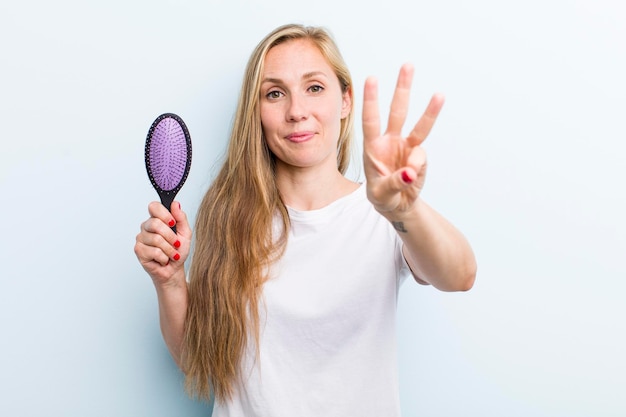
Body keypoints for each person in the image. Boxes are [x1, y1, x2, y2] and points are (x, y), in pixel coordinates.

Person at [134, 23, 476, 417]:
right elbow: (197, 361)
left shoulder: (383, 214)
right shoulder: (228, 215)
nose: (297, 112)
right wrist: (171, 281)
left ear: (345, 101)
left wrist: (403, 210)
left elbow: (460, 275)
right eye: (275, 94)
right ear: (256, 113)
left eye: (314, 87)